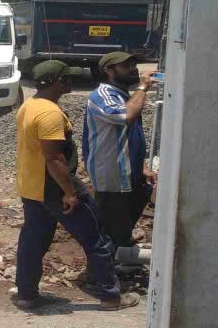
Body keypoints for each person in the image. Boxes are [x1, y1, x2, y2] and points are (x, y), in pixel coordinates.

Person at [13, 60, 140, 310]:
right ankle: (111, 296)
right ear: (56, 82)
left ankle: (26, 295)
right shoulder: (50, 114)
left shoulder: (29, 106)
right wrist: (70, 193)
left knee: (33, 241)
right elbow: (54, 158)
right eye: (66, 78)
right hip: (56, 187)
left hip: (32, 187)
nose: (70, 82)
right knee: (97, 238)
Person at [83, 52, 155, 250]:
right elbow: (126, 116)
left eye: (133, 64)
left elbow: (131, 136)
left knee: (127, 216)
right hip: (112, 174)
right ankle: (100, 274)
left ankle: (120, 252)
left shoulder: (123, 95)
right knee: (107, 226)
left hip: (129, 170)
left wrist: (142, 165)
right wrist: (142, 88)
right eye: (125, 66)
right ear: (109, 70)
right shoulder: (103, 95)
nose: (133, 69)